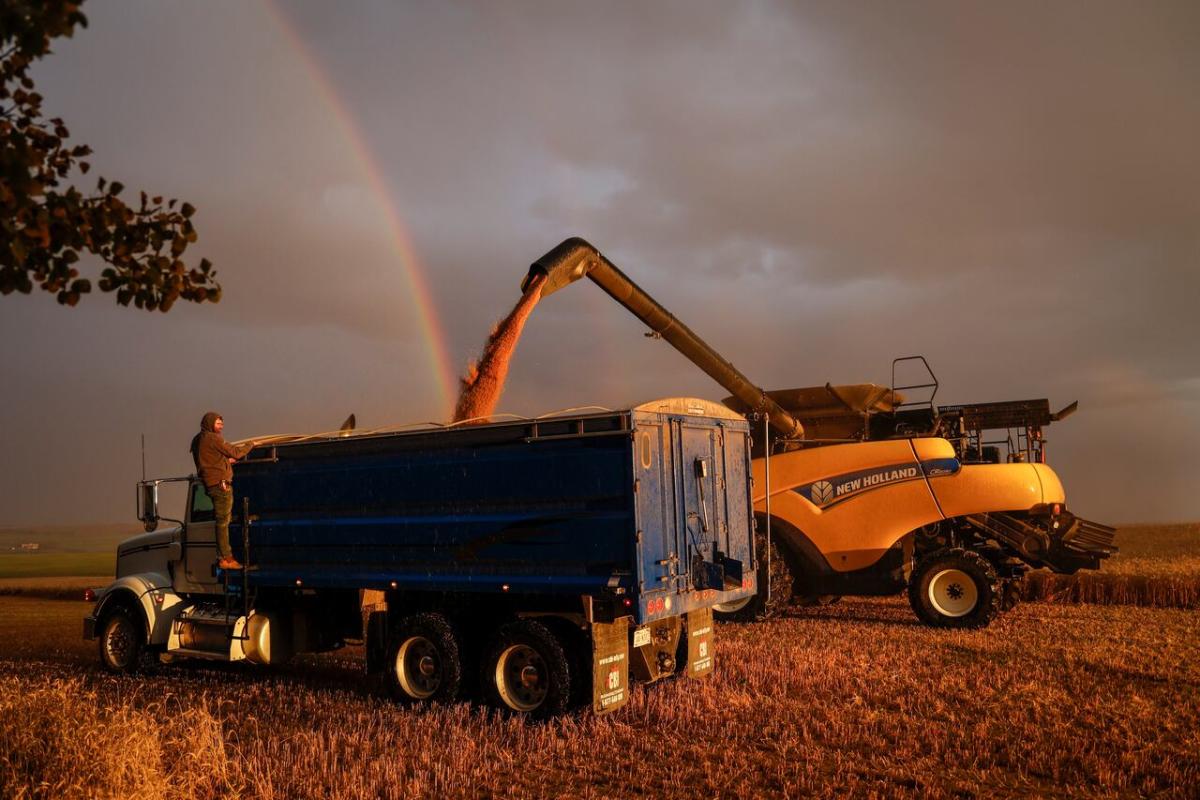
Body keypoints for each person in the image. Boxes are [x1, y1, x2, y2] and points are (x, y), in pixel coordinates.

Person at [189, 412, 256, 570]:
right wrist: (251, 445)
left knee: (224, 519)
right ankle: (226, 558)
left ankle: (226, 554)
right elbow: (237, 453)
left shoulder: (198, 440)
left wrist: (226, 461)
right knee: (223, 523)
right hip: (221, 485)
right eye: (218, 424)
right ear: (210, 423)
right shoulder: (213, 438)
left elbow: (209, 460)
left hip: (211, 484)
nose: (221, 426)